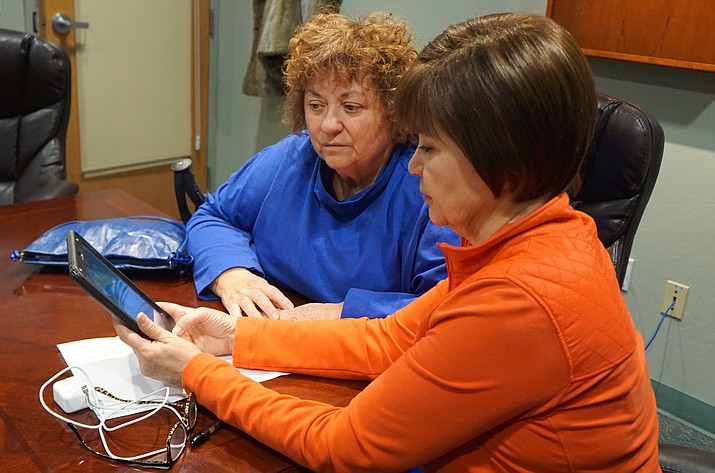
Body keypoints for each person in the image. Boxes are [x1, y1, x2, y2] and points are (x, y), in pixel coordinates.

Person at [116, 12, 661, 472]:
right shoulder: (538, 239)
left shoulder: (522, 298)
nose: (415, 166)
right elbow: (388, 340)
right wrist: (232, 336)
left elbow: (344, 447)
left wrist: (193, 372)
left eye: (429, 147)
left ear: (506, 163)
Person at [186, 11, 458, 321]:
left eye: (351, 107)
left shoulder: (425, 185)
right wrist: (233, 275)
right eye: (316, 105)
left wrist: (341, 314)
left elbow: (446, 305)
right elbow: (213, 217)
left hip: (366, 354)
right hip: (265, 333)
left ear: (393, 112)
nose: (327, 125)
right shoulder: (293, 156)